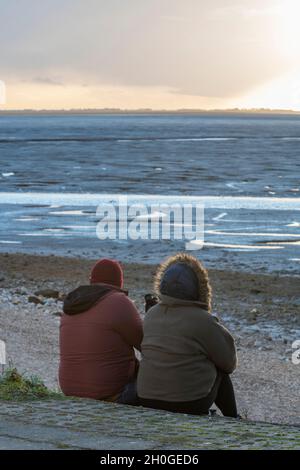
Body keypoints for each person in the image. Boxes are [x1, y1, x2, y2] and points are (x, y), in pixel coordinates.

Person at [137, 253, 238, 417]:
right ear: (199, 288)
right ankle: (233, 417)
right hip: (189, 403)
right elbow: (229, 363)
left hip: (146, 398)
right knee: (220, 371)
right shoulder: (203, 320)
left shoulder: (151, 314)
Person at [59, 258, 143, 404]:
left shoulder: (72, 305)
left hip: (69, 390)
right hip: (111, 393)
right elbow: (146, 345)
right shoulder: (118, 301)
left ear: (91, 281)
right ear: (119, 282)